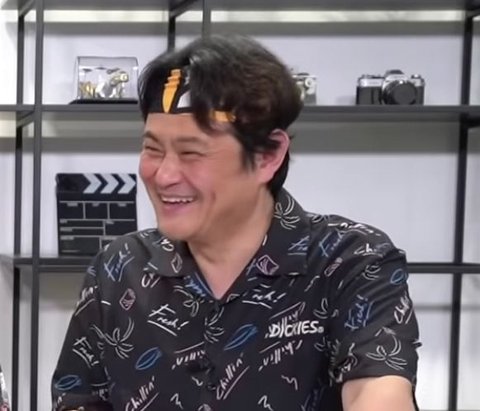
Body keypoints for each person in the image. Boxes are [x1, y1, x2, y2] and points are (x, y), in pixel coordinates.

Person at [52, 35, 421, 411]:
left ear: (268, 155)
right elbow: (80, 400)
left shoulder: (351, 262)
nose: (163, 175)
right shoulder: (119, 267)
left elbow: (379, 392)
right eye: (152, 149)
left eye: (191, 152)